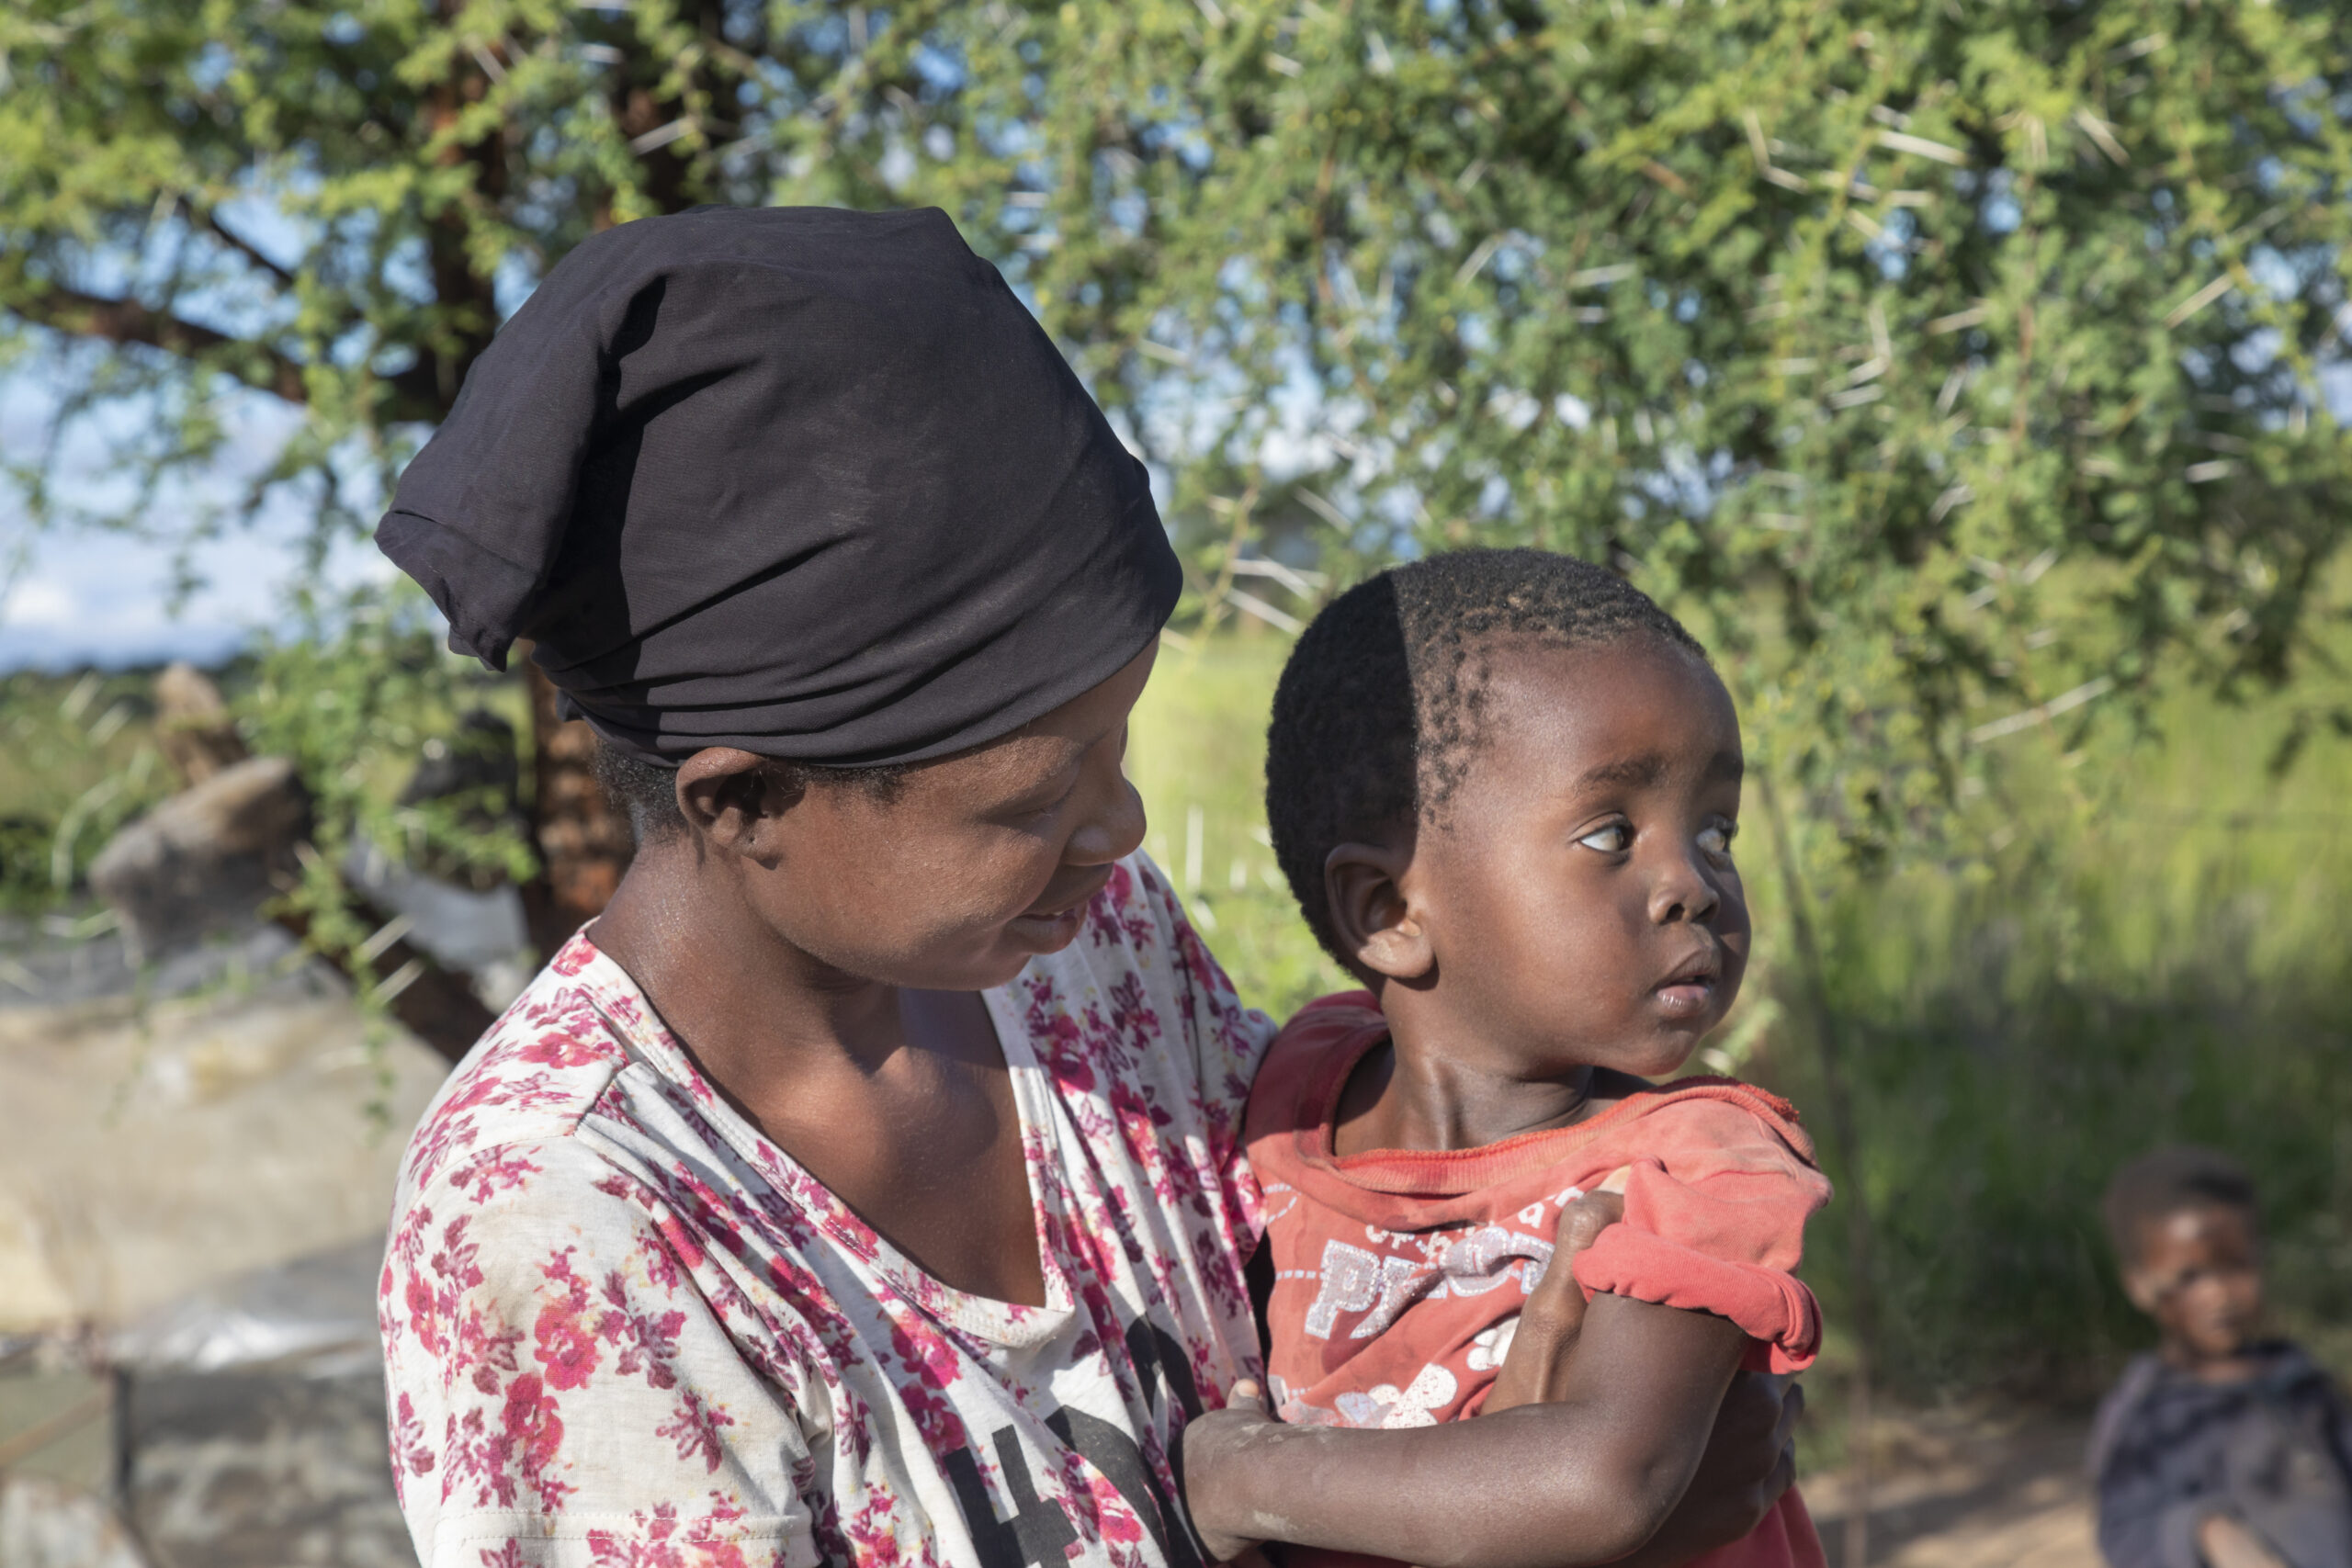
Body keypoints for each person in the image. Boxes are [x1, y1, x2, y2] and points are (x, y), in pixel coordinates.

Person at [372, 204, 1801, 1568]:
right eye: (1032, 799)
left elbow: (1396, 1298)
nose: (1117, 825)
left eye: (1114, 746)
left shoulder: (1078, 954)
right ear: (744, 801)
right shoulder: (568, 1231)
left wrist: (1634, 1444)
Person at [1218, 551, 1829, 1568]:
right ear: (1390, 913)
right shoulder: (1301, 1087)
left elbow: (1603, 1480)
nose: (1694, 883)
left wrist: (1240, 1481)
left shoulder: (1695, 1169)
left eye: (1715, 827)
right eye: (1609, 833)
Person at [2088, 1146, 2352, 1568]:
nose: (2219, 1294)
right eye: (2189, 1277)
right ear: (2139, 1284)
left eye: (2236, 1267)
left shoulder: (2301, 1379)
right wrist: (2209, 1532)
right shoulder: (2149, 1418)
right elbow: (2126, 1532)